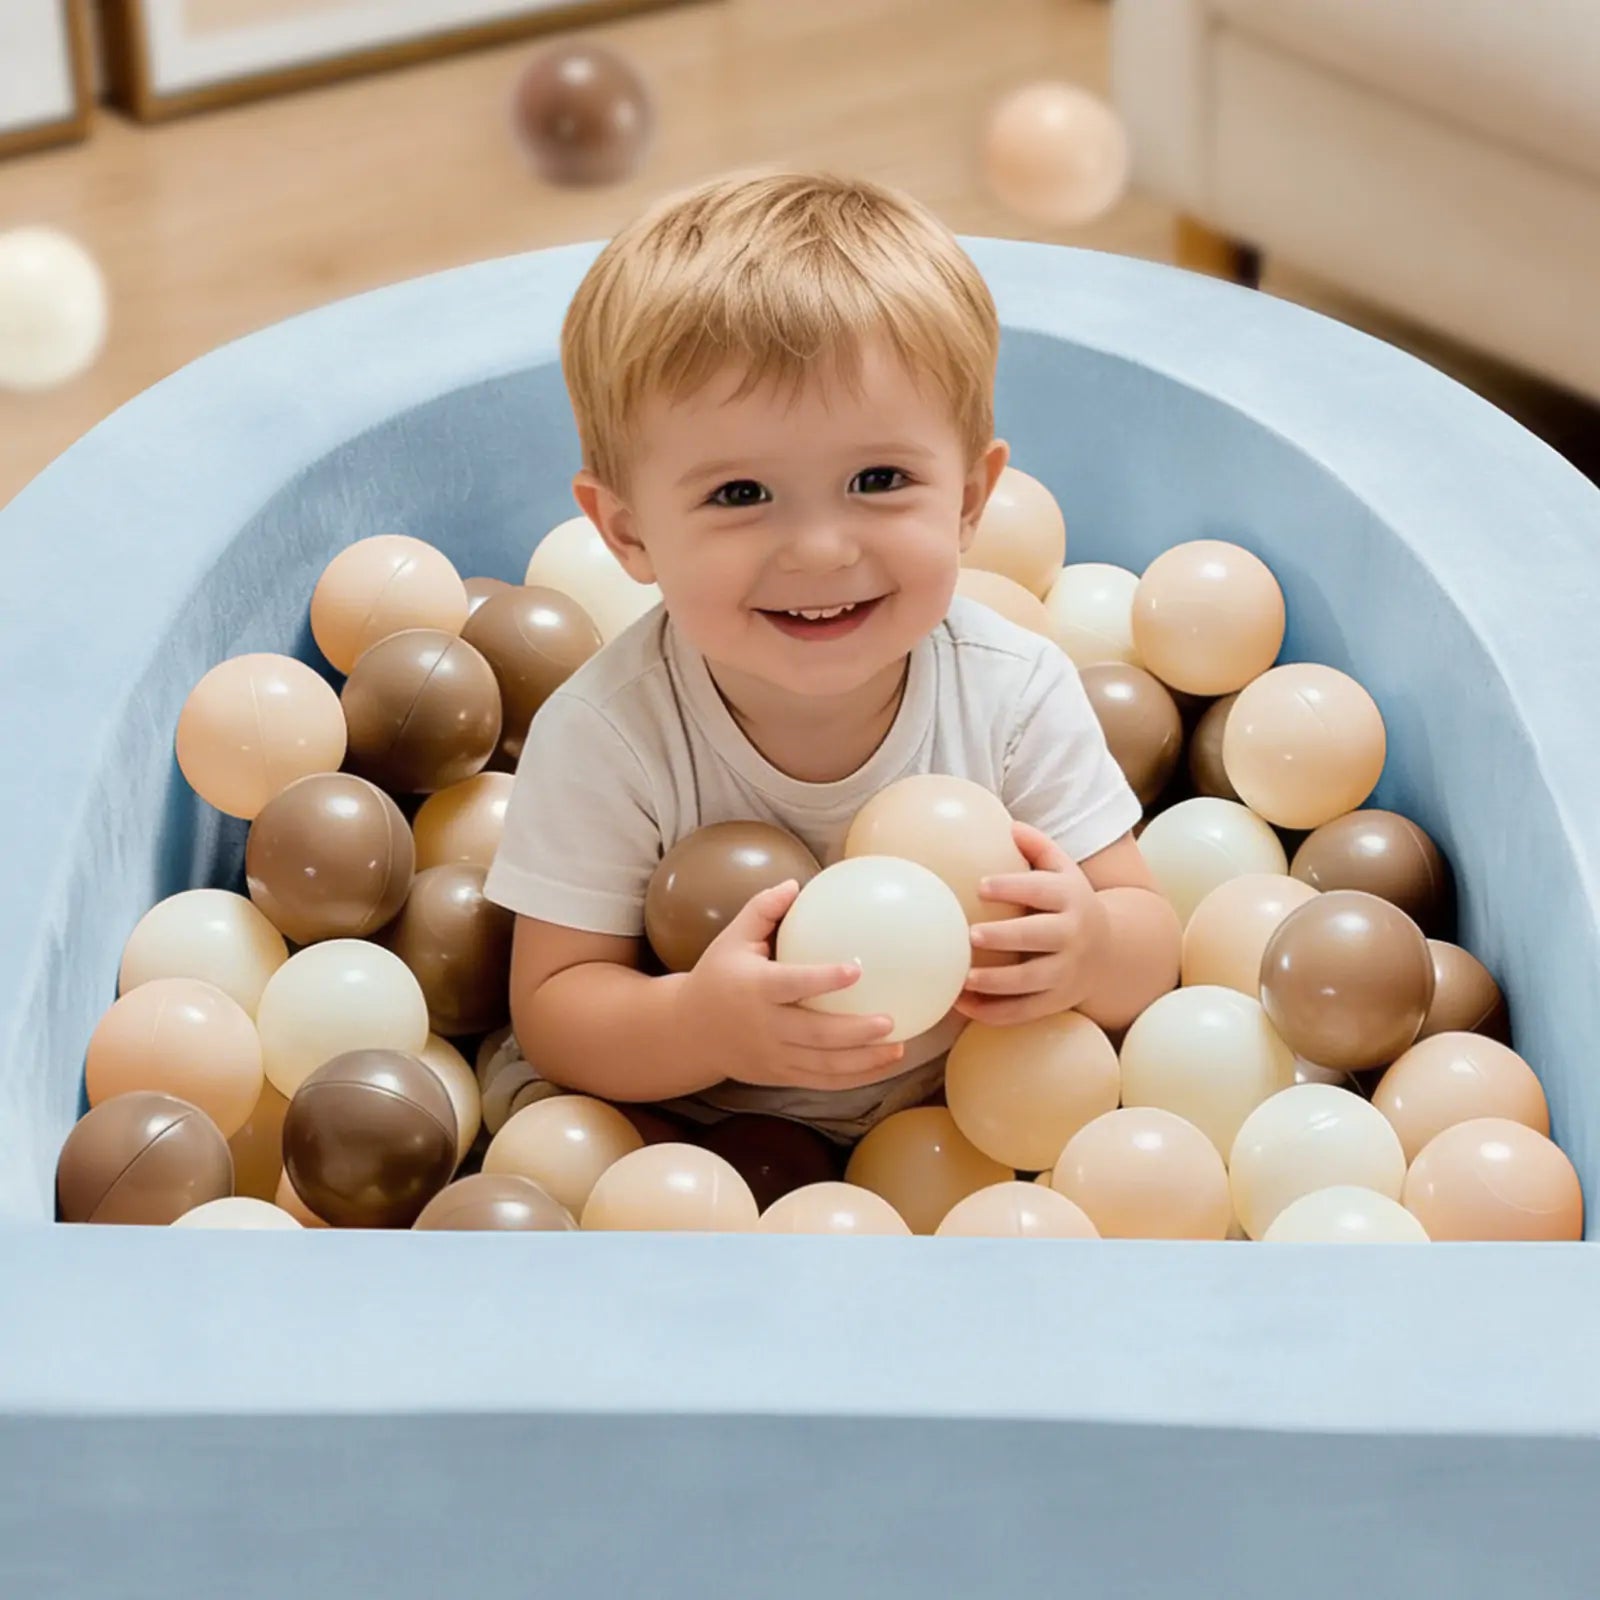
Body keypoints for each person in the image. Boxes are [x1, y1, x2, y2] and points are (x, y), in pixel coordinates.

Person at [483, 169, 1180, 1141]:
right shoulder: (609, 733)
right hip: (683, 1137)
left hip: (967, 1127)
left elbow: (1151, 943)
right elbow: (555, 1007)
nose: (818, 548)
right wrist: (701, 1025)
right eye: (740, 494)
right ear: (627, 532)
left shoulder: (1013, 692)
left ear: (971, 501)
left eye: (878, 478)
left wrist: (1088, 947)